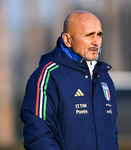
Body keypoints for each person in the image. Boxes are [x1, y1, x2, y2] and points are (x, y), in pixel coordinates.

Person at [20, 10, 119, 150]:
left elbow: (112, 134)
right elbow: (37, 136)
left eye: (99, 34)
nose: (96, 41)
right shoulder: (48, 76)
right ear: (67, 40)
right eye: (89, 35)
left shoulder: (104, 77)